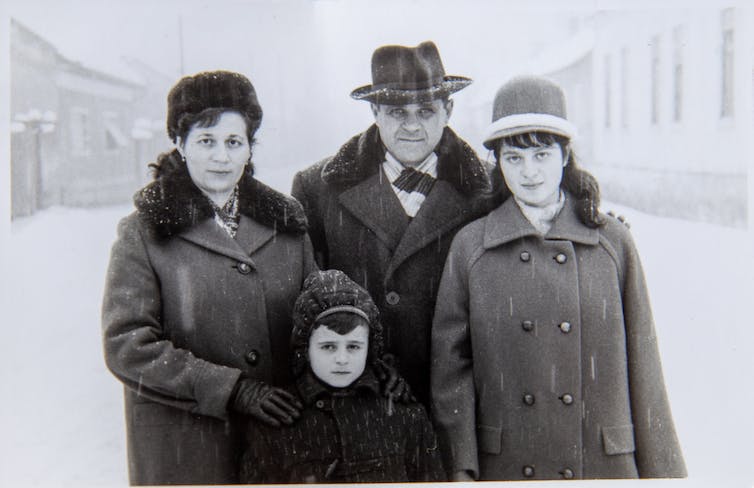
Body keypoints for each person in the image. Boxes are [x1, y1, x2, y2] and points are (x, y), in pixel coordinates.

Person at [430, 75, 687, 481]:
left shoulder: (611, 241)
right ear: (497, 163)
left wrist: (662, 471)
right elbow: (450, 372)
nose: (529, 172)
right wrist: (462, 465)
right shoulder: (472, 247)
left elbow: (644, 362)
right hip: (509, 463)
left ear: (566, 156)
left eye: (542, 154)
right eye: (513, 158)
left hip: (600, 461)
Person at [101, 70, 316, 485]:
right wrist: (230, 389)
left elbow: (317, 319)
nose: (221, 157)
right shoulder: (144, 232)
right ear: (180, 146)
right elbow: (126, 344)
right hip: (186, 451)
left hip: (277, 447)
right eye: (206, 141)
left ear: (250, 148)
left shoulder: (287, 226)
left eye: (234, 142)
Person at [292, 41, 492, 407]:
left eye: (426, 110)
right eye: (398, 112)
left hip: (457, 397)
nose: (413, 126)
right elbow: (306, 302)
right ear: (375, 111)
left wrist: (579, 196)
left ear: (448, 110)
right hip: (361, 400)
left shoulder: (489, 189)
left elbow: (542, 199)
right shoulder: (318, 188)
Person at [239, 270, 444, 483]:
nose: (342, 359)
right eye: (328, 346)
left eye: (354, 346)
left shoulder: (405, 416)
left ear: (370, 349)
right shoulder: (276, 423)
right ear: (305, 348)